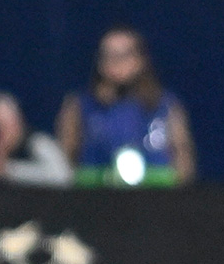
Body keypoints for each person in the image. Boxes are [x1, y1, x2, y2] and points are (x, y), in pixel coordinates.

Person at [56, 25, 196, 187]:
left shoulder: (166, 105)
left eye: (124, 54)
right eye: (109, 55)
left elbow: (183, 159)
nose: (116, 62)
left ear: (141, 59)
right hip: (96, 196)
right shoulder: (79, 106)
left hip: (156, 197)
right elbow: (64, 161)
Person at [0, 90, 74, 187]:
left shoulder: (38, 143)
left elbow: (62, 176)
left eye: (0, 126)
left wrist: (8, 170)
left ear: (16, 123)